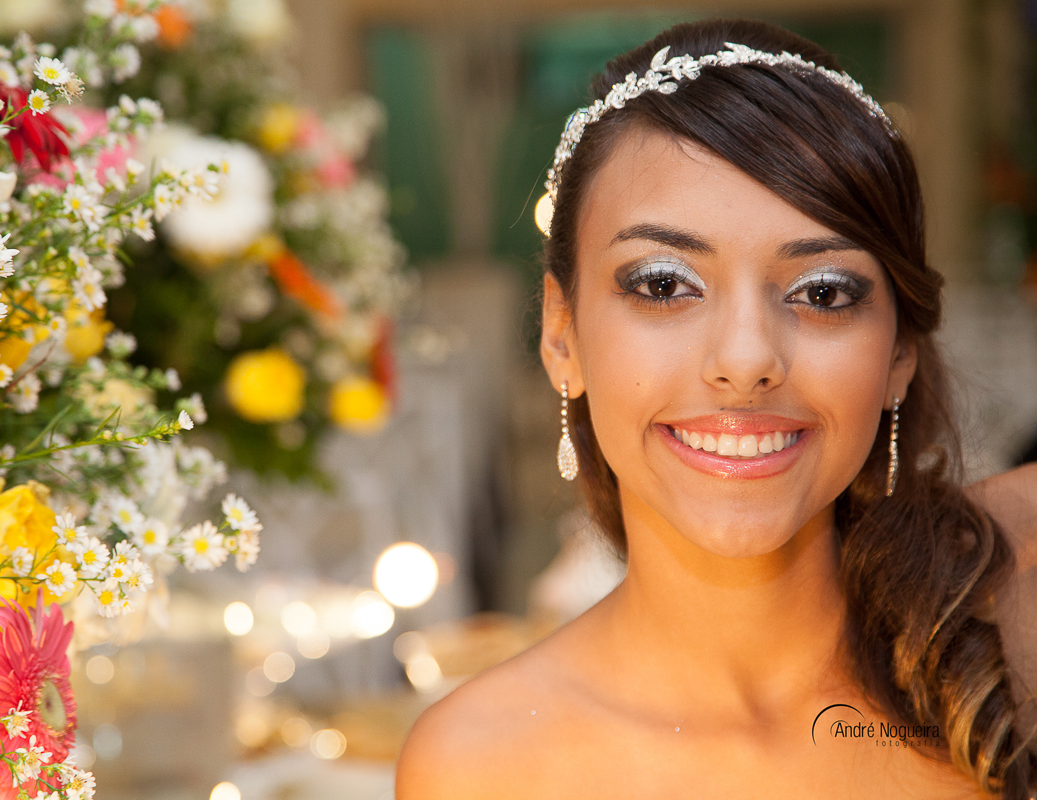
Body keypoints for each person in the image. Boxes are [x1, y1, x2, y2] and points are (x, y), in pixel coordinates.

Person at [395, 18, 1037, 799]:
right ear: (562, 335)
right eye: (664, 285)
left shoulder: (1014, 611)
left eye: (823, 293)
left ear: (899, 354)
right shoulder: (479, 765)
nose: (745, 360)